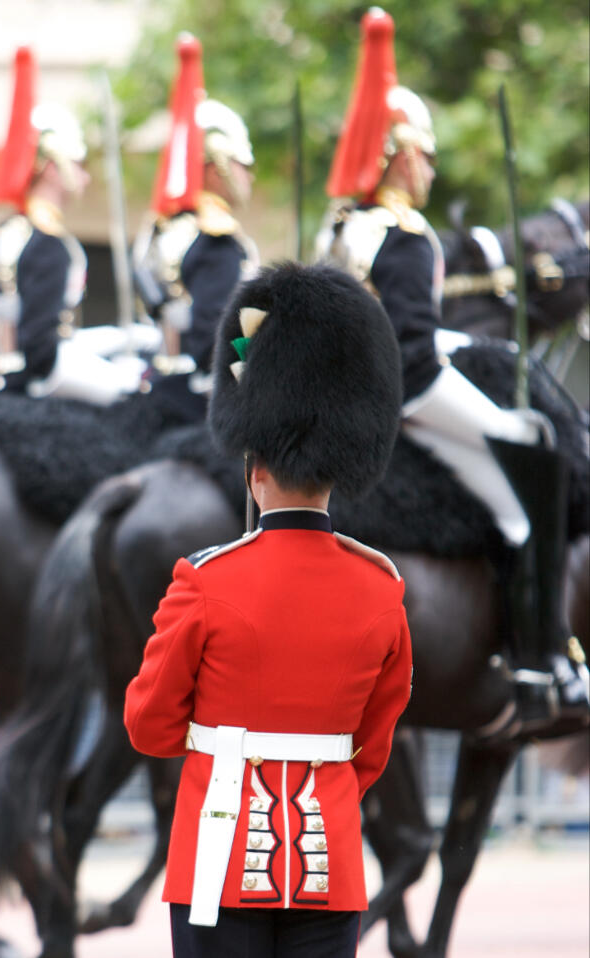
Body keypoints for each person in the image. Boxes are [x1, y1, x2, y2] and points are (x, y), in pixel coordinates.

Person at [124, 262, 412, 956]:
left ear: (255, 472)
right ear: (341, 470)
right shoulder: (381, 588)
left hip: (217, 860)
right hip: (331, 862)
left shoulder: (203, 580)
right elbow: (373, 746)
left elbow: (148, 724)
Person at [315, 8, 588, 731]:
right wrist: (498, 417)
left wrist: (465, 351)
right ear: (400, 155)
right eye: (424, 154)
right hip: (405, 404)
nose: (430, 167)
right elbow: (411, 358)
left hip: (350, 403)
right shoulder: (405, 236)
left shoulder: (342, 227)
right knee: (527, 474)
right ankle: (537, 663)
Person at [0, 47, 154, 404]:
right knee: (137, 397)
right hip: (41, 381)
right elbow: (42, 346)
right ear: (53, 168)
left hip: (2, 376)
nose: (84, 177)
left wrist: (117, 336)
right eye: (78, 164)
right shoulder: (47, 243)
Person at [133, 33, 258, 424]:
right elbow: (216, 335)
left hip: (158, 384)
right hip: (200, 399)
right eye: (242, 163)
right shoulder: (215, 237)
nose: (249, 175)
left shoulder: (163, 228)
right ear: (215, 164)